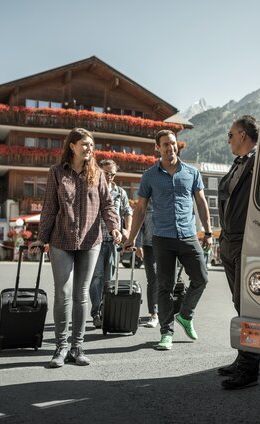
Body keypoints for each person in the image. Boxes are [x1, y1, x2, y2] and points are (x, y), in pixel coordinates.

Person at [30, 128, 121, 368]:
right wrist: (42, 238)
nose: (89, 149)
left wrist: (114, 227)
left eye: (92, 145)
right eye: (84, 144)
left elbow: (108, 205)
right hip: (61, 240)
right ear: (72, 146)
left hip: (91, 241)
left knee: (82, 294)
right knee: (63, 292)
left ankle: (77, 347)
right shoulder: (57, 173)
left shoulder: (99, 175)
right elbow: (49, 207)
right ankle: (60, 347)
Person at [123, 130, 214, 351]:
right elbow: (140, 209)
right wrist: (131, 238)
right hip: (161, 238)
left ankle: (185, 315)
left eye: (172, 144)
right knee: (165, 286)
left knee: (201, 278)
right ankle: (166, 333)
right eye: (165, 144)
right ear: (158, 147)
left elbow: (201, 203)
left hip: (188, 235)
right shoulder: (149, 176)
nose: (170, 148)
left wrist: (209, 232)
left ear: (177, 146)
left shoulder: (192, 173)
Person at [217, 115, 260, 389]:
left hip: (248, 241)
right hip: (229, 241)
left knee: (247, 304)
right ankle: (243, 357)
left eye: (231, 134)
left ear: (243, 135)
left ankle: (249, 370)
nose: (229, 139)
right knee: (238, 303)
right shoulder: (237, 164)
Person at [89, 159, 132, 329]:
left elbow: (128, 211)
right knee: (97, 277)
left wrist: (127, 230)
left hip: (114, 242)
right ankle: (96, 313)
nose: (110, 177)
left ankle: (107, 310)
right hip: (95, 241)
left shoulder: (120, 192)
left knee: (109, 280)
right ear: (100, 171)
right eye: (107, 173)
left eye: (113, 174)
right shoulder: (93, 189)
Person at [135, 203, 159, 328]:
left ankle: (165, 312)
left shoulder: (169, 196)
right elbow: (139, 224)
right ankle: (154, 314)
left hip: (167, 244)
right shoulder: (147, 200)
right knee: (153, 278)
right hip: (148, 245)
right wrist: (138, 244)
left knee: (168, 279)